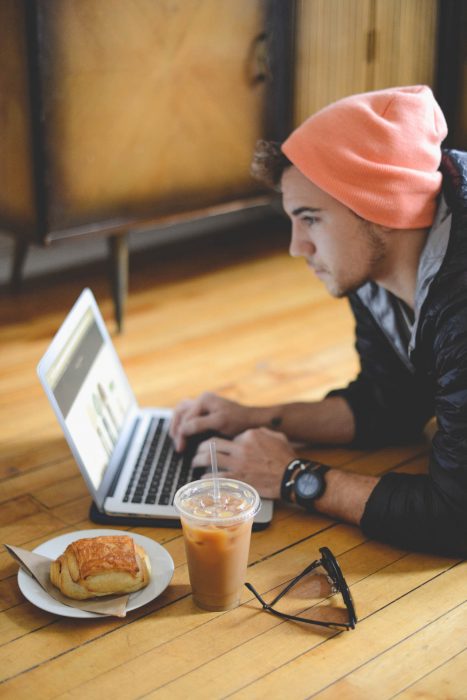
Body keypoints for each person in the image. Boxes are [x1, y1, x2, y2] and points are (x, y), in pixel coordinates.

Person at [170, 85, 467, 557]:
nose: (296, 247)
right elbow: (389, 404)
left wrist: (294, 477)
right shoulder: (375, 264)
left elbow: (457, 519)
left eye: (310, 219)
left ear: (384, 205)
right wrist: (249, 417)